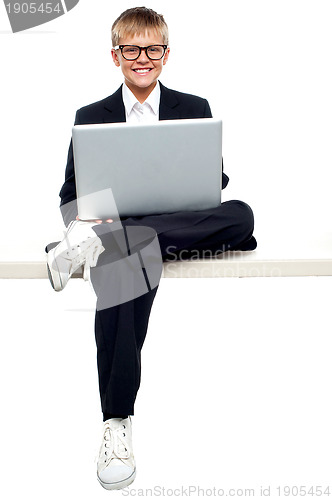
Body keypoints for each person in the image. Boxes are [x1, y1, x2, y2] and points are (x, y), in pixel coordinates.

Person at [46, 6, 257, 491]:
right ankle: (116, 421)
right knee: (129, 259)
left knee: (241, 214)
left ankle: (92, 245)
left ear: (166, 53)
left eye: (153, 49)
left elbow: (214, 187)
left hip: (169, 225)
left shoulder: (194, 106)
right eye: (132, 50)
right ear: (115, 55)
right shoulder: (90, 117)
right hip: (126, 231)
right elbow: (70, 198)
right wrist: (102, 214)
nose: (143, 58)